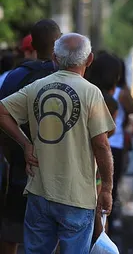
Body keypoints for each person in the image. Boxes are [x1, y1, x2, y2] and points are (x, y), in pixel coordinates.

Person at [0, 33, 115, 254]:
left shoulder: (36, 87)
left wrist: (26, 144)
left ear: (54, 57)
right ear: (89, 59)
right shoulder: (91, 93)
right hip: (77, 197)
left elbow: (2, 111)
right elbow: (102, 145)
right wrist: (107, 189)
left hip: (39, 192)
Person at [0, 19, 61, 254]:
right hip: (59, 173)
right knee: (56, 234)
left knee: (11, 234)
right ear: (59, 43)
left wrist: (20, 149)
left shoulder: (15, 77)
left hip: (21, 170)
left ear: (32, 44)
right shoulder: (69, 78)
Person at [86, 51, 121, 242]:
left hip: (79, 158)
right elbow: (108, 133)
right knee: (100, 215)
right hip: (97, 164)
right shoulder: (110, 101)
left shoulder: (86, 91)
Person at [108, 58, 133, 232]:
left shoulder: (94, 88)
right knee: (111, 185)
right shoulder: (122, 93)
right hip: (116, 144)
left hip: (97, 142)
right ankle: (108, 223)